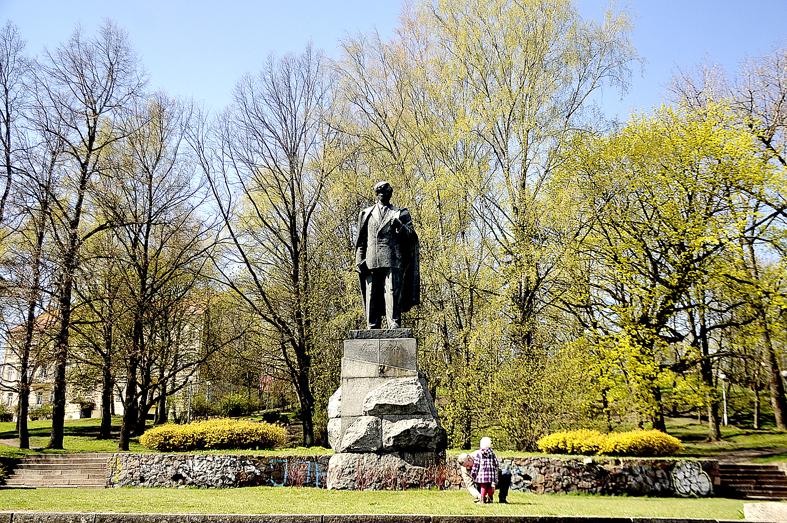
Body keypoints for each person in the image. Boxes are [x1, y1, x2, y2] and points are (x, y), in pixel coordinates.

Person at [355, 181, 420, 329]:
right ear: (376, 195)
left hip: (393, 258)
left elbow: (412, 237)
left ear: (390, 194)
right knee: (372, 293)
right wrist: (359, 259)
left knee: (392, 292)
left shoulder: (400, 213)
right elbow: (361, 241)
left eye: (385, 192)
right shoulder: (366, 214)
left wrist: (400, 226)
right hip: (371, 259)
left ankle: (394, 322)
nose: (382, 195)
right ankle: (372, 325)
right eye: (379, 193)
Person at [471, 436, 499, 503]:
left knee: (483, 487)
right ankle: (490, 497)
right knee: (489, 486)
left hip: (482, 475)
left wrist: (473, 473)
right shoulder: (492, 454)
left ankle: (482, 499)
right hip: (491, 475)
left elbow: (476, 465)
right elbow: (496, 463)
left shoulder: (479, 454)